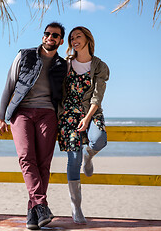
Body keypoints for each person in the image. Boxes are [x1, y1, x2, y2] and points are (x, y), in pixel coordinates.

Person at [0, 22, 67, 230]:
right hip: (22, 112)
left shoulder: (63, 65)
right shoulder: (25, 55)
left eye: (55, 35)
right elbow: (9, 85)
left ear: (60, 41)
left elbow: (64, 95)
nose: (50, 37)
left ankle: (32, 213)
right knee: (26, 157)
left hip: (48, 114)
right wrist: (1, 117)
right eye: (47, 34)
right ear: (43, 36)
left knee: (43, 164)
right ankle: (42, 205)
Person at [57, 26, 109, 224]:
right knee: (73, 160)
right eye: (72, 38)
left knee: (98, 141)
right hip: (69, 114)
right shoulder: (67, 64)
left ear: (88, 38)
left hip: (91, 111)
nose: (74, 40)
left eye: (78, 36)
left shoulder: (99, 65)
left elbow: (98, 95)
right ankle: (76, 207)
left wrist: (87, 119)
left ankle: (90, 155)